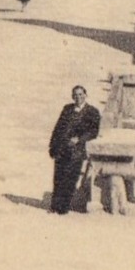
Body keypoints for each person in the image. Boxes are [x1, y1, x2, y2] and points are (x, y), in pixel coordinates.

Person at [47, 85, 101, 214]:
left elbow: (94, 131)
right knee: (58, 177)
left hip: (76, 150)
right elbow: (58, 128)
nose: (78, 97)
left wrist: (80, 139)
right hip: (61, 148)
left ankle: (63, 208)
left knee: (70, 178)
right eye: (75, 95)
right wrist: (52, 146)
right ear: (72, 97)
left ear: (85, 95)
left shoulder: (92, 112)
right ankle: (54, 206)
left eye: (81, 94)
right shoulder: (67, 109)